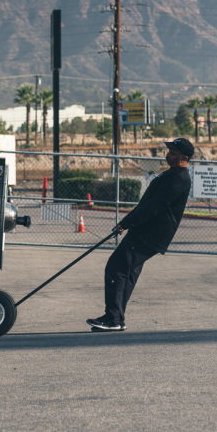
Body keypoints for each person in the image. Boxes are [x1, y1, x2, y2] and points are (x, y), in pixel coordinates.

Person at [88, 137, 194, 332]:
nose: (168, 154)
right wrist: (129, 223)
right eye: (169, 150)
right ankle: (117, 318)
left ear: (184, 158)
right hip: (145, 231)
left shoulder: (179, 179)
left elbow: (155, 206)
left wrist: (126, 223)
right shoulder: (171, 174)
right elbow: (148, 204)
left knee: (116, 267)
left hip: (150, 234)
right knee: (128, 272)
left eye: (173, 152)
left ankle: (112, 318)